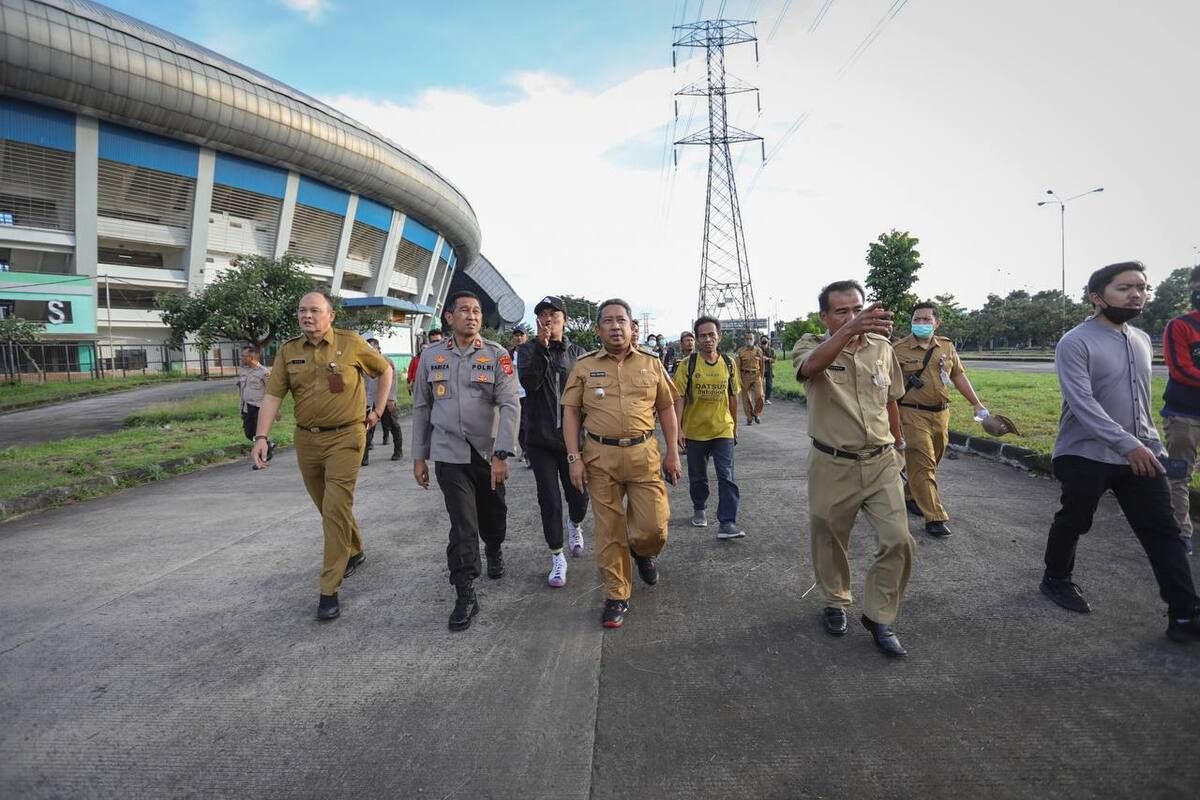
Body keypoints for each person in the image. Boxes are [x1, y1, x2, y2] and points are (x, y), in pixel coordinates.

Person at [1040, 261, 1200, 643]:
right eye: (1124, 287)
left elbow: (1141, 404)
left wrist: (1152, 447)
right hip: (1083, 452)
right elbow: (1083, 404)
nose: (1136, 294)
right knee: (1076, 519)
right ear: (1097, 297)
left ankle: (1184, 614)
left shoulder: (1142, 340)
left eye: (1142, 287)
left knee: (1163, 529)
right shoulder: (1075, 342)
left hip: (1140, 454)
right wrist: (1129, 444)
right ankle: (1056, 578)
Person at [250, 291, 392, 621]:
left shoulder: (351, 343)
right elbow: (272, 396)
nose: (307, 316)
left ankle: (329, 588)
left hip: (347, 435)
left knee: (335, 506)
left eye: (315, 310)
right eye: (302, 311)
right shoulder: (289, 350)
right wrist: (261, 437)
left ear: (330, 316)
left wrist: (379, 410)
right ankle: (354, 549)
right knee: (326, 505)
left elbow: (384, 371)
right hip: (307, 441)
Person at [793, 280, 915, 657]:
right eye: (842, 311)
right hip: (832, 462)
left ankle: (879, 616)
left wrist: (899, 442)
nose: (853, 316)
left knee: (899, 539)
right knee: (830, 539)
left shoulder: (882, 348)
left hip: (880, 461)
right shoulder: (810, 345)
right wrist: (849, 331)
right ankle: (835, 601)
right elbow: (811, 368)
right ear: (825, 316)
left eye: (857, 308)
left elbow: (891, 397)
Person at [562, 298, 682, 629]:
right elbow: (570, 412)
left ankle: (643, 552)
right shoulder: (584, 367)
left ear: (633, 328)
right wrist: (574, 457)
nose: (616, 326)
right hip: (600, 457)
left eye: (622, 321)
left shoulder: (651, 363)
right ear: (599, 328)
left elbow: (667, 408)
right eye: (609, 321)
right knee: (610, 530)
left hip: (644, 454)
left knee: (654, 527)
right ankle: (617, 594)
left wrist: (672, 451)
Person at [411, 290, 520, 631]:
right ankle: (465, 591)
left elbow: (510, 404)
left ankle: (495, 548)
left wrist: (501, 454)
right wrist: (420, 456)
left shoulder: (496, 354)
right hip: (448, 453)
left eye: (476, 311)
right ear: (449, 317)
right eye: (464, 311)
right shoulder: (432, 356)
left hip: (487, 454)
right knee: (462, 524)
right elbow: (421, 408)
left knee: (494, 518)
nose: (472, 316)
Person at [893, 302, 989, 538]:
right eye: (917, 319)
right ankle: (935, 517)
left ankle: (910, 494)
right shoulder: (897, 349)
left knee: (933, 460)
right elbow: (888, 388)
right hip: (911, 413)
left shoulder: (945, 346)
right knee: (923, 464)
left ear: (937, 323)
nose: (921, 324)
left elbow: (957, 375)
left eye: (927, 320)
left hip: (941, 413)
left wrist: (976, 403)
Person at [517, 295, 591, 587]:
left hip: (573, 441)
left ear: (565, 319)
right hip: (540, 439)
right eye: (543, 315)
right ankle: (556, 556)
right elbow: (530, 383)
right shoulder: (526, 351)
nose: (548, 319)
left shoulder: (579, 354)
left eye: (554, 314)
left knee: (579, 497)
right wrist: (542, 349)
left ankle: (575, 524)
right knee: (548, 499)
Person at [673, 316, 744, 539]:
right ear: (697, 338)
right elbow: (679, 398)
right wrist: (679, 429)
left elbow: (733, 396)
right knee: (698, 476)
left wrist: (734, 426)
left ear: (719, 336)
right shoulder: (687, 365)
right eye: (702, 335)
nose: (707, 339)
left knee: (727, 476)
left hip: (722, 429)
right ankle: (699, 507)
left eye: (711, 335)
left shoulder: (729, 363)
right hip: (695, 431)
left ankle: (727, 522)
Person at [1160, 264, 1200, 558]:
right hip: (1185, 415)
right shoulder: (1181, 326)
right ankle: (1180, 534)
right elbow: (1182, 369)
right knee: (1179, 475)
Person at [362, 337, 401, 465]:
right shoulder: (363, 362)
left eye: (372, 348)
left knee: (393, 424)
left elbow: (393, 381)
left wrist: (391, 398)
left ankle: (398, 450)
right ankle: (364, 456)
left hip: (385, 399)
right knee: (367, 428)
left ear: (378, 349)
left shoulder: (386, 361)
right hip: (370, 399)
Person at [237, 345, 276, 468]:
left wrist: (275, 410)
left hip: (259, 406)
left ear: (252, 356)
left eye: (244, 356)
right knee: (249, 433)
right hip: (246, 406)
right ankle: (268, 445)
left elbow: (271, 391)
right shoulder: (244, 371)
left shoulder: (263, 372)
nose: (241, 358)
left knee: (257, 433)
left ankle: (261, 460)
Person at [734, 330, 766, 425]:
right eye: (747, 339)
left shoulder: (759, 350)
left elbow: (762, 365)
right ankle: (749, 417)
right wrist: (739, 379)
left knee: (760, 396)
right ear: (744, 340)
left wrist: (762, 376)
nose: (749, 340)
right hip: (744, 375)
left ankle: (756, 413)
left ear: (754, 339)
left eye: (751, 338)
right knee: (746, 398)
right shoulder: (740, 351)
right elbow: (737, 367)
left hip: (756, 375)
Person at [510, 325, 530, 463]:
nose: (519, 338)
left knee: (528, 424)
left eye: (521, 335)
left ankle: (529, 452)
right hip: (513, 394)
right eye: (516, 335)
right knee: (518, 425)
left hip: (528, 394)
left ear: (526, 337)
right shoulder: (507, 355)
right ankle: (525, 449)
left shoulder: (532, 352)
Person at [406, 328, 443, 394]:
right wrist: (410, 381)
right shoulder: (423, 359)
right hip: (427, 389)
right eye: (433, 342)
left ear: (442, 340)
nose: (436, 344)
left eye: (438, 341)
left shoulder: (449, 356)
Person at [759, 335, 775, 405]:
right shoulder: (758, 350)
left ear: (768, 341)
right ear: (760, 342)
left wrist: (768, 359)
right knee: (759, 385)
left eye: (765, 340)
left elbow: (774, 359)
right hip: (759, 369)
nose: (764, 342)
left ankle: (767, 399)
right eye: (763, 340)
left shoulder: (771, 350)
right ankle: (760, 399)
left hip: (769, 369)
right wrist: (761, 358)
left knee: (769, 385)